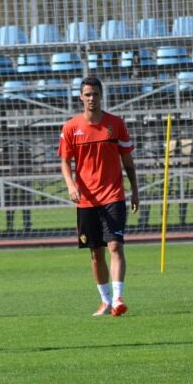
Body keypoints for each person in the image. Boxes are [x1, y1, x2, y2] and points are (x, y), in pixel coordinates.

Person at [59, 77, 140, 317]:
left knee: (115, 245)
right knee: (96, 252)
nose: (91, 98)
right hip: (86, 199)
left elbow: (127, 160)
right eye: (87, 94)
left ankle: (117, 298)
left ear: (101, 95)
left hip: (113, 195)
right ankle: (105, 300)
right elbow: (64, 160)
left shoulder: (116, 124)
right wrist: (70, 184)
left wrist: (134, 190)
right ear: (80, 97)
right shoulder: (71, 127)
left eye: (95, 94)